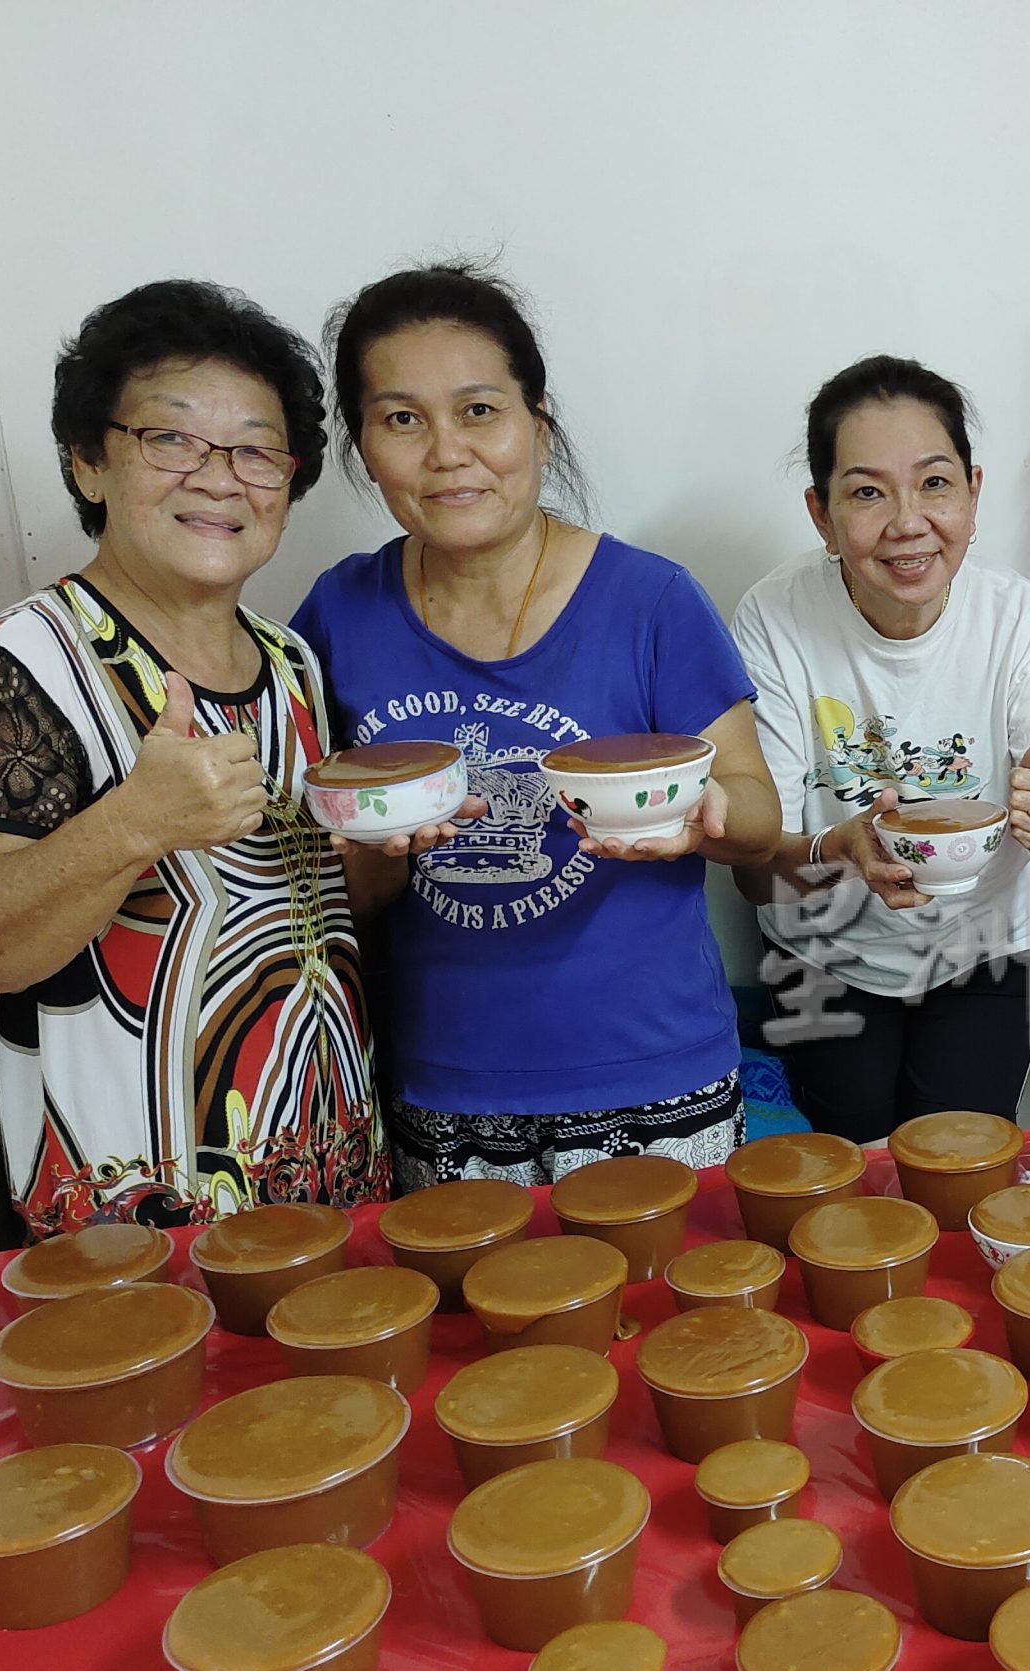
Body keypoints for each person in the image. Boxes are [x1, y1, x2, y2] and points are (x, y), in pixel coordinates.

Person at [0, 280, 390, 1231]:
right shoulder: (16, 669)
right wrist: (131, 824)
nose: (218, 477)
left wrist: (387, 854)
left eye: (255, 450)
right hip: (132, 1240)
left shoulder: (291, 664)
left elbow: (313, 907)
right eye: (171, 440)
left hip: (334, 1206)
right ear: (89, 462)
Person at [296, 264, 779, 1187]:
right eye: (403, 419)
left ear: (538, 425)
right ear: (362, 448)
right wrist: (379, 850)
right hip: (445, 1085)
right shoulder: (338, 613)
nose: (447, 452)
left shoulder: (652, 600)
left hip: (655, 1075)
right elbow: (331, 895)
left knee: (684, 1335)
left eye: (479, 410)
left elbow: (759, 816)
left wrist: (704, 812)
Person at [730, 356, 1030, 1140]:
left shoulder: (1022, 623)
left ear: (973, 493)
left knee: (958, 1170)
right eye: (867, 492)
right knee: (846, 1180)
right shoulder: (774, 618)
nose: (907, 521)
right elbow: (753, 877)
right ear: (821, 513)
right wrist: (839, 850)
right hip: (821, 955)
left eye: (934, 484)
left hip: (988, 948)